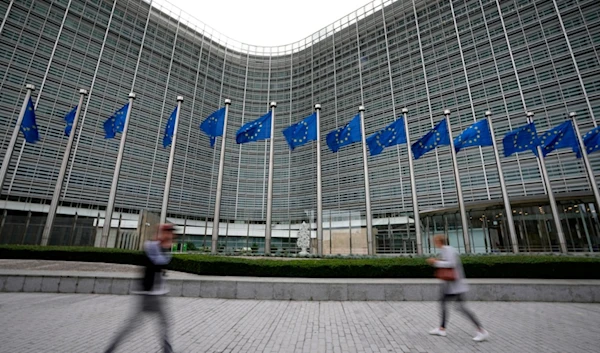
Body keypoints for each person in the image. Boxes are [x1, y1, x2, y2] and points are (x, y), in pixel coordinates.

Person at [104, 223, 176, 353]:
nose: (171, 235)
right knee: (138, 325)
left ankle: (110, 349)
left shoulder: (161, 247)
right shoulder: (152, 246)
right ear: (162, 233)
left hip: (155, 293)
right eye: (169, 232)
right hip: (149, 295)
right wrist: (162, 243)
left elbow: (164, 262)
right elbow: (159, 262)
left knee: (161, 323)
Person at [426, 234, 489, 342]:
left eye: (435, 241)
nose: (434, 243)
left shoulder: (449, 250)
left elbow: (452, 264)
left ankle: (481, 330)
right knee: (443, 303)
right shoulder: (444, 250)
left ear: (439, 241)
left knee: (461, 308)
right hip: (449, 285)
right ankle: (442, 328)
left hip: (455, 285)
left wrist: (436, 262)